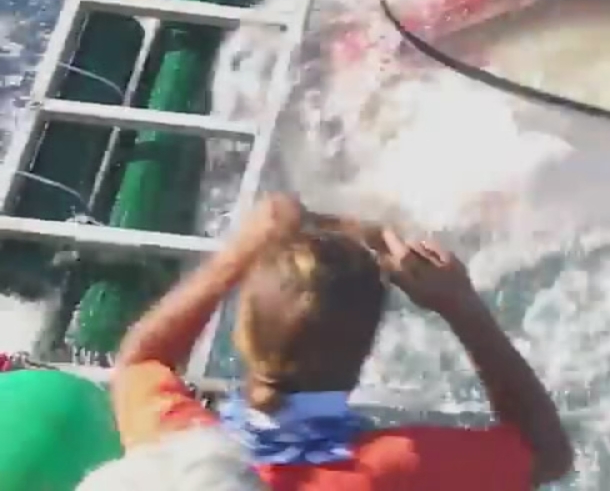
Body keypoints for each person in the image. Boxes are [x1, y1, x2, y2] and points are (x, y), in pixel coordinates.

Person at [78, 193, 574, 490]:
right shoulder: (390, 470)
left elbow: (142, 360)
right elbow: (546, 453)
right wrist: (462, 307)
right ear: (364, 360)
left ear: (239, 331)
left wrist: (237, 256)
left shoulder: (174, 440)